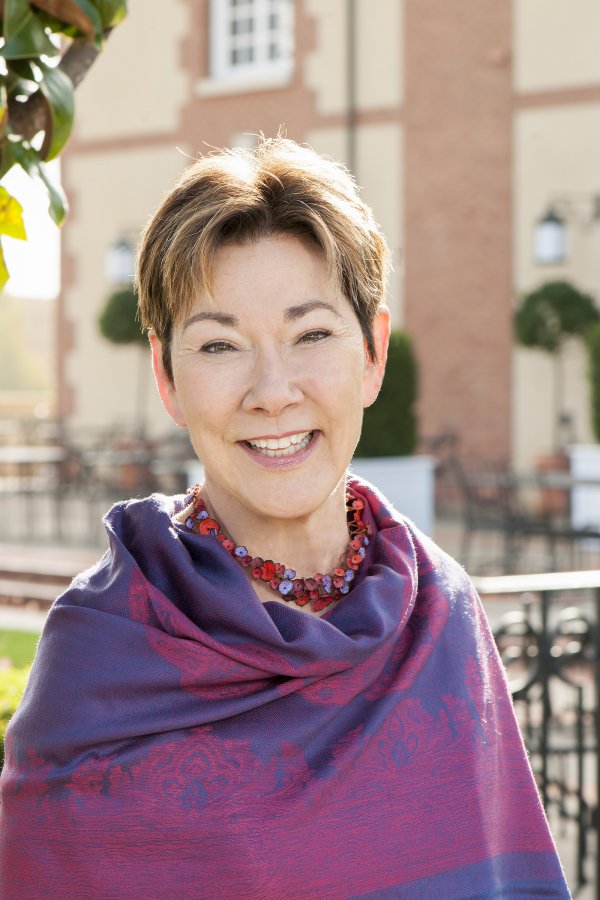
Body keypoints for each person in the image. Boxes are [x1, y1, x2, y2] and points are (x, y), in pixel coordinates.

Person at [0, 137, 570, 898]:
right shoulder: (104, 653)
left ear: (373, 353)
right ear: (167, 377)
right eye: (219, 344)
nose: (273, 391)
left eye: (311, 335)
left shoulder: (440, 610)